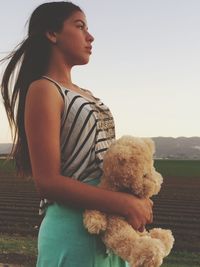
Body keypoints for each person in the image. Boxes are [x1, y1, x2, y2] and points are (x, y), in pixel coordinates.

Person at [1, 1, 153, 266]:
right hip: (75, 230)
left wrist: (130, 201)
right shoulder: (44, 89)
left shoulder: (85, 93)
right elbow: (46, 181)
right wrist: (124, 204)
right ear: (52, 33)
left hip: (109, 226)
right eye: (80, 26)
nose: (90, 36)